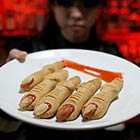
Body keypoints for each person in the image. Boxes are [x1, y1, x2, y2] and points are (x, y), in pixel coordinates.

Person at [0, 0, 127, 139]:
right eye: (66, 3)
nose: (76, 14)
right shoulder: (29, 54)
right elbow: (6, 127)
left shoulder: (113, 56)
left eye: (88, 4)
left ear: (100, 8)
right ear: (53, 6)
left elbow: (121, 118)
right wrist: (6, 91)